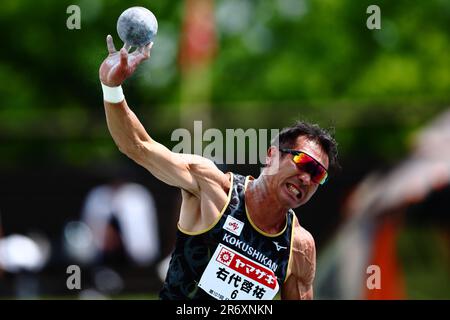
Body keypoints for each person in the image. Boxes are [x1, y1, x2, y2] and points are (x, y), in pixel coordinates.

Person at [98, 35, 338, 300]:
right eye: (303, 162)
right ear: (272, 156)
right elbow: (138, 145)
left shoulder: (299, 247)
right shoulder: (212, 187)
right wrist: (112, 88)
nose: (306, 177)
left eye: (317, 174)